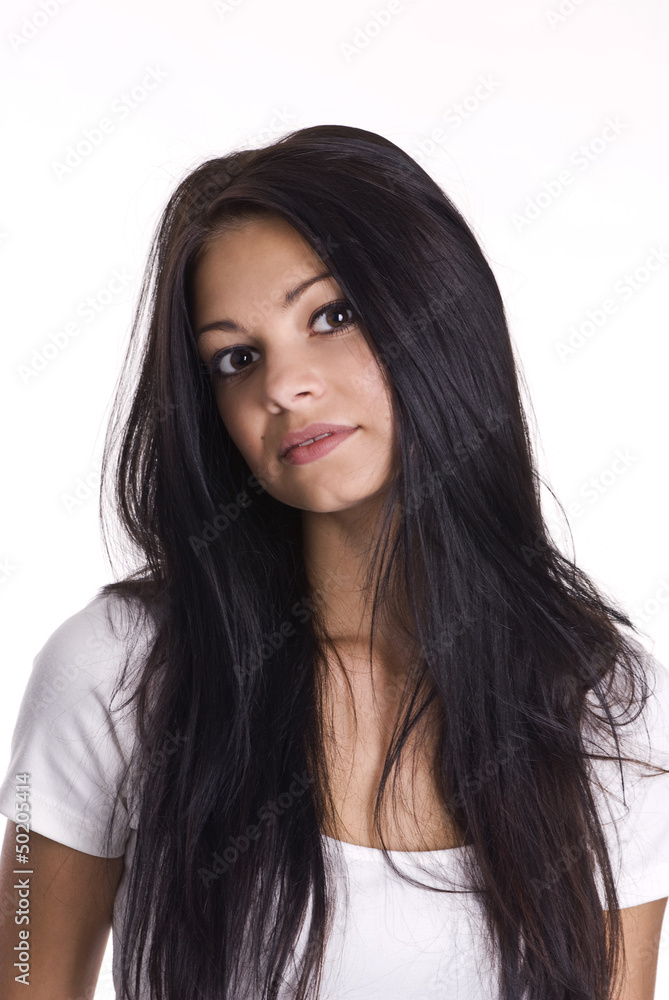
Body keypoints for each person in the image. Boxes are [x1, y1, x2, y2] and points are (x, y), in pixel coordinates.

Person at [1, 124, 668, 1000]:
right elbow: (22, 972)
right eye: (235, 359)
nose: (282, 385)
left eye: (331, 315)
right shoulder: (119, 669)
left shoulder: (608, 709)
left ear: (438, 313)